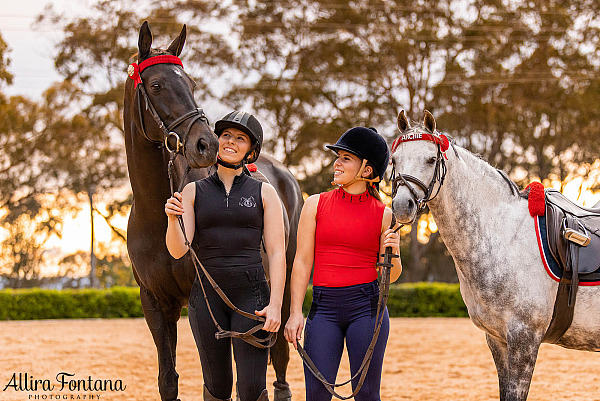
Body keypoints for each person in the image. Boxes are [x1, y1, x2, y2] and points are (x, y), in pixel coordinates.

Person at [164, 111, 286, 401]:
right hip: (206, 300)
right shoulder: (192, 191)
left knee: (252, 390)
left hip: (253, 298)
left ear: (251, 151)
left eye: (240, 138)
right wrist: (171, 220)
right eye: (226, 135)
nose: (231, 142)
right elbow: (179, 249)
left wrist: (276, 306)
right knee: (216, 388)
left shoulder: (264, 192)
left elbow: (277, 252)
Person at [284, 127, 402, 401]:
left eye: (346, 158)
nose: (336, 163)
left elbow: (392, 276)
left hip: (367, 310)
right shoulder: (315, 204)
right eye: (338, 156)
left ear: (367, 170)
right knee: (316, 395)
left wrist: (393, 252)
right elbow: (302, 261)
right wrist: (295, 312)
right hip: (324, 310)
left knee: (367, 395)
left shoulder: (385, 215)